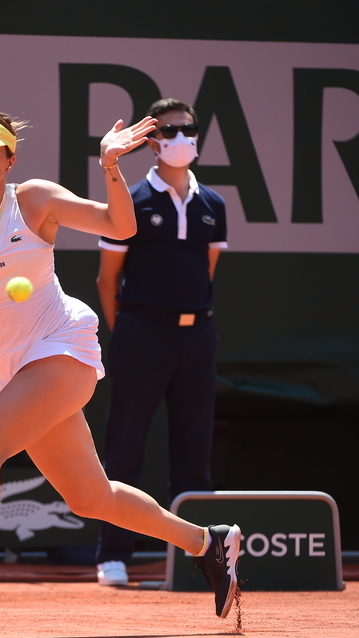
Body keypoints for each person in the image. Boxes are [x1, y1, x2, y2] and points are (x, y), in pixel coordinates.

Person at [0, 109, 240, 632]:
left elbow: (120, 225)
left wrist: (110, 165)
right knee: (90, 497)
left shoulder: (35, 200)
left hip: (64, 349)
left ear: (8, 161)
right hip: (19, 373)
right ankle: (208, 542)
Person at [94, 99, 228, 587]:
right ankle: (113, 554)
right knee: (125, 446)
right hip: (140, 334)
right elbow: (108, 281)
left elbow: (206, 272)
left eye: (188, 129)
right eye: (169, 131)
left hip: (198, 337)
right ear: (152, 142)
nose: (181, 138)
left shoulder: (214, 205)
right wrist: (128, 335)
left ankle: (204, 558)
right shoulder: (132, 200)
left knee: (194, 450)